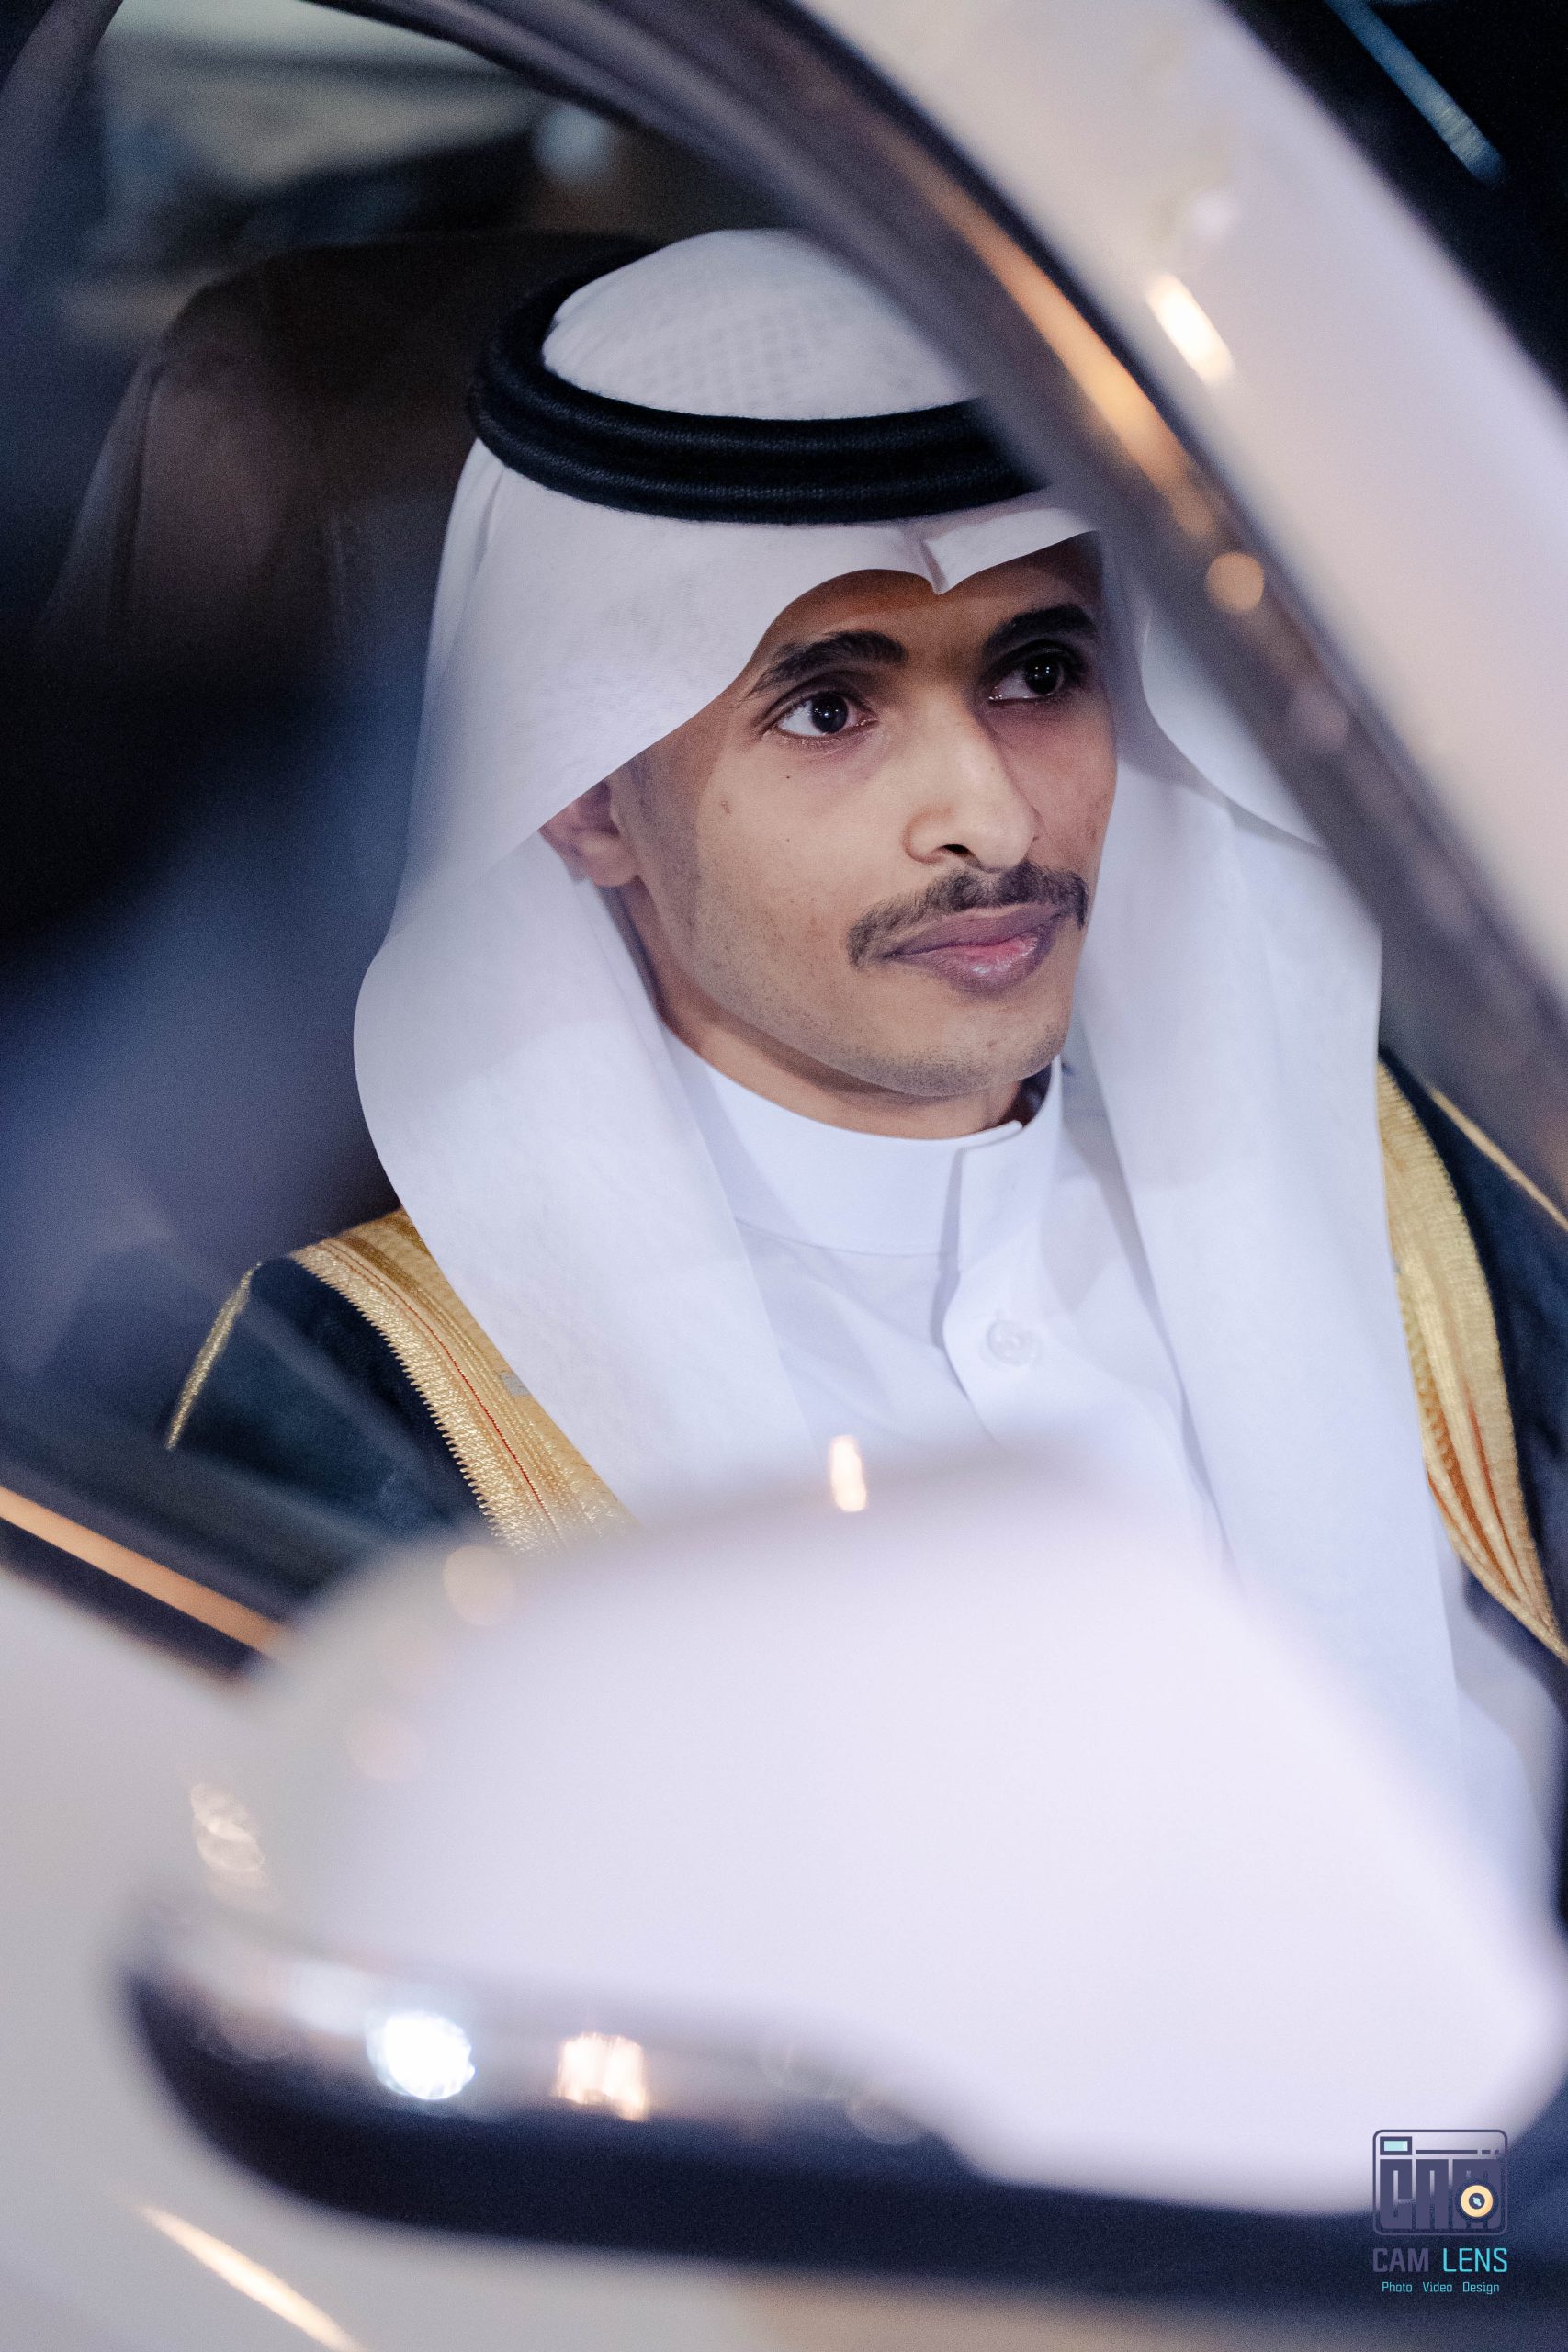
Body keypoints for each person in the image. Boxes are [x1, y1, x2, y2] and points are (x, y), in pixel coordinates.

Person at [168, 231, 1567, 1901]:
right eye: (829, 709)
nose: (986, 814)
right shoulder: (377, 1408)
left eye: (1037, 674)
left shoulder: (1414, 1205)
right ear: (588, 796)